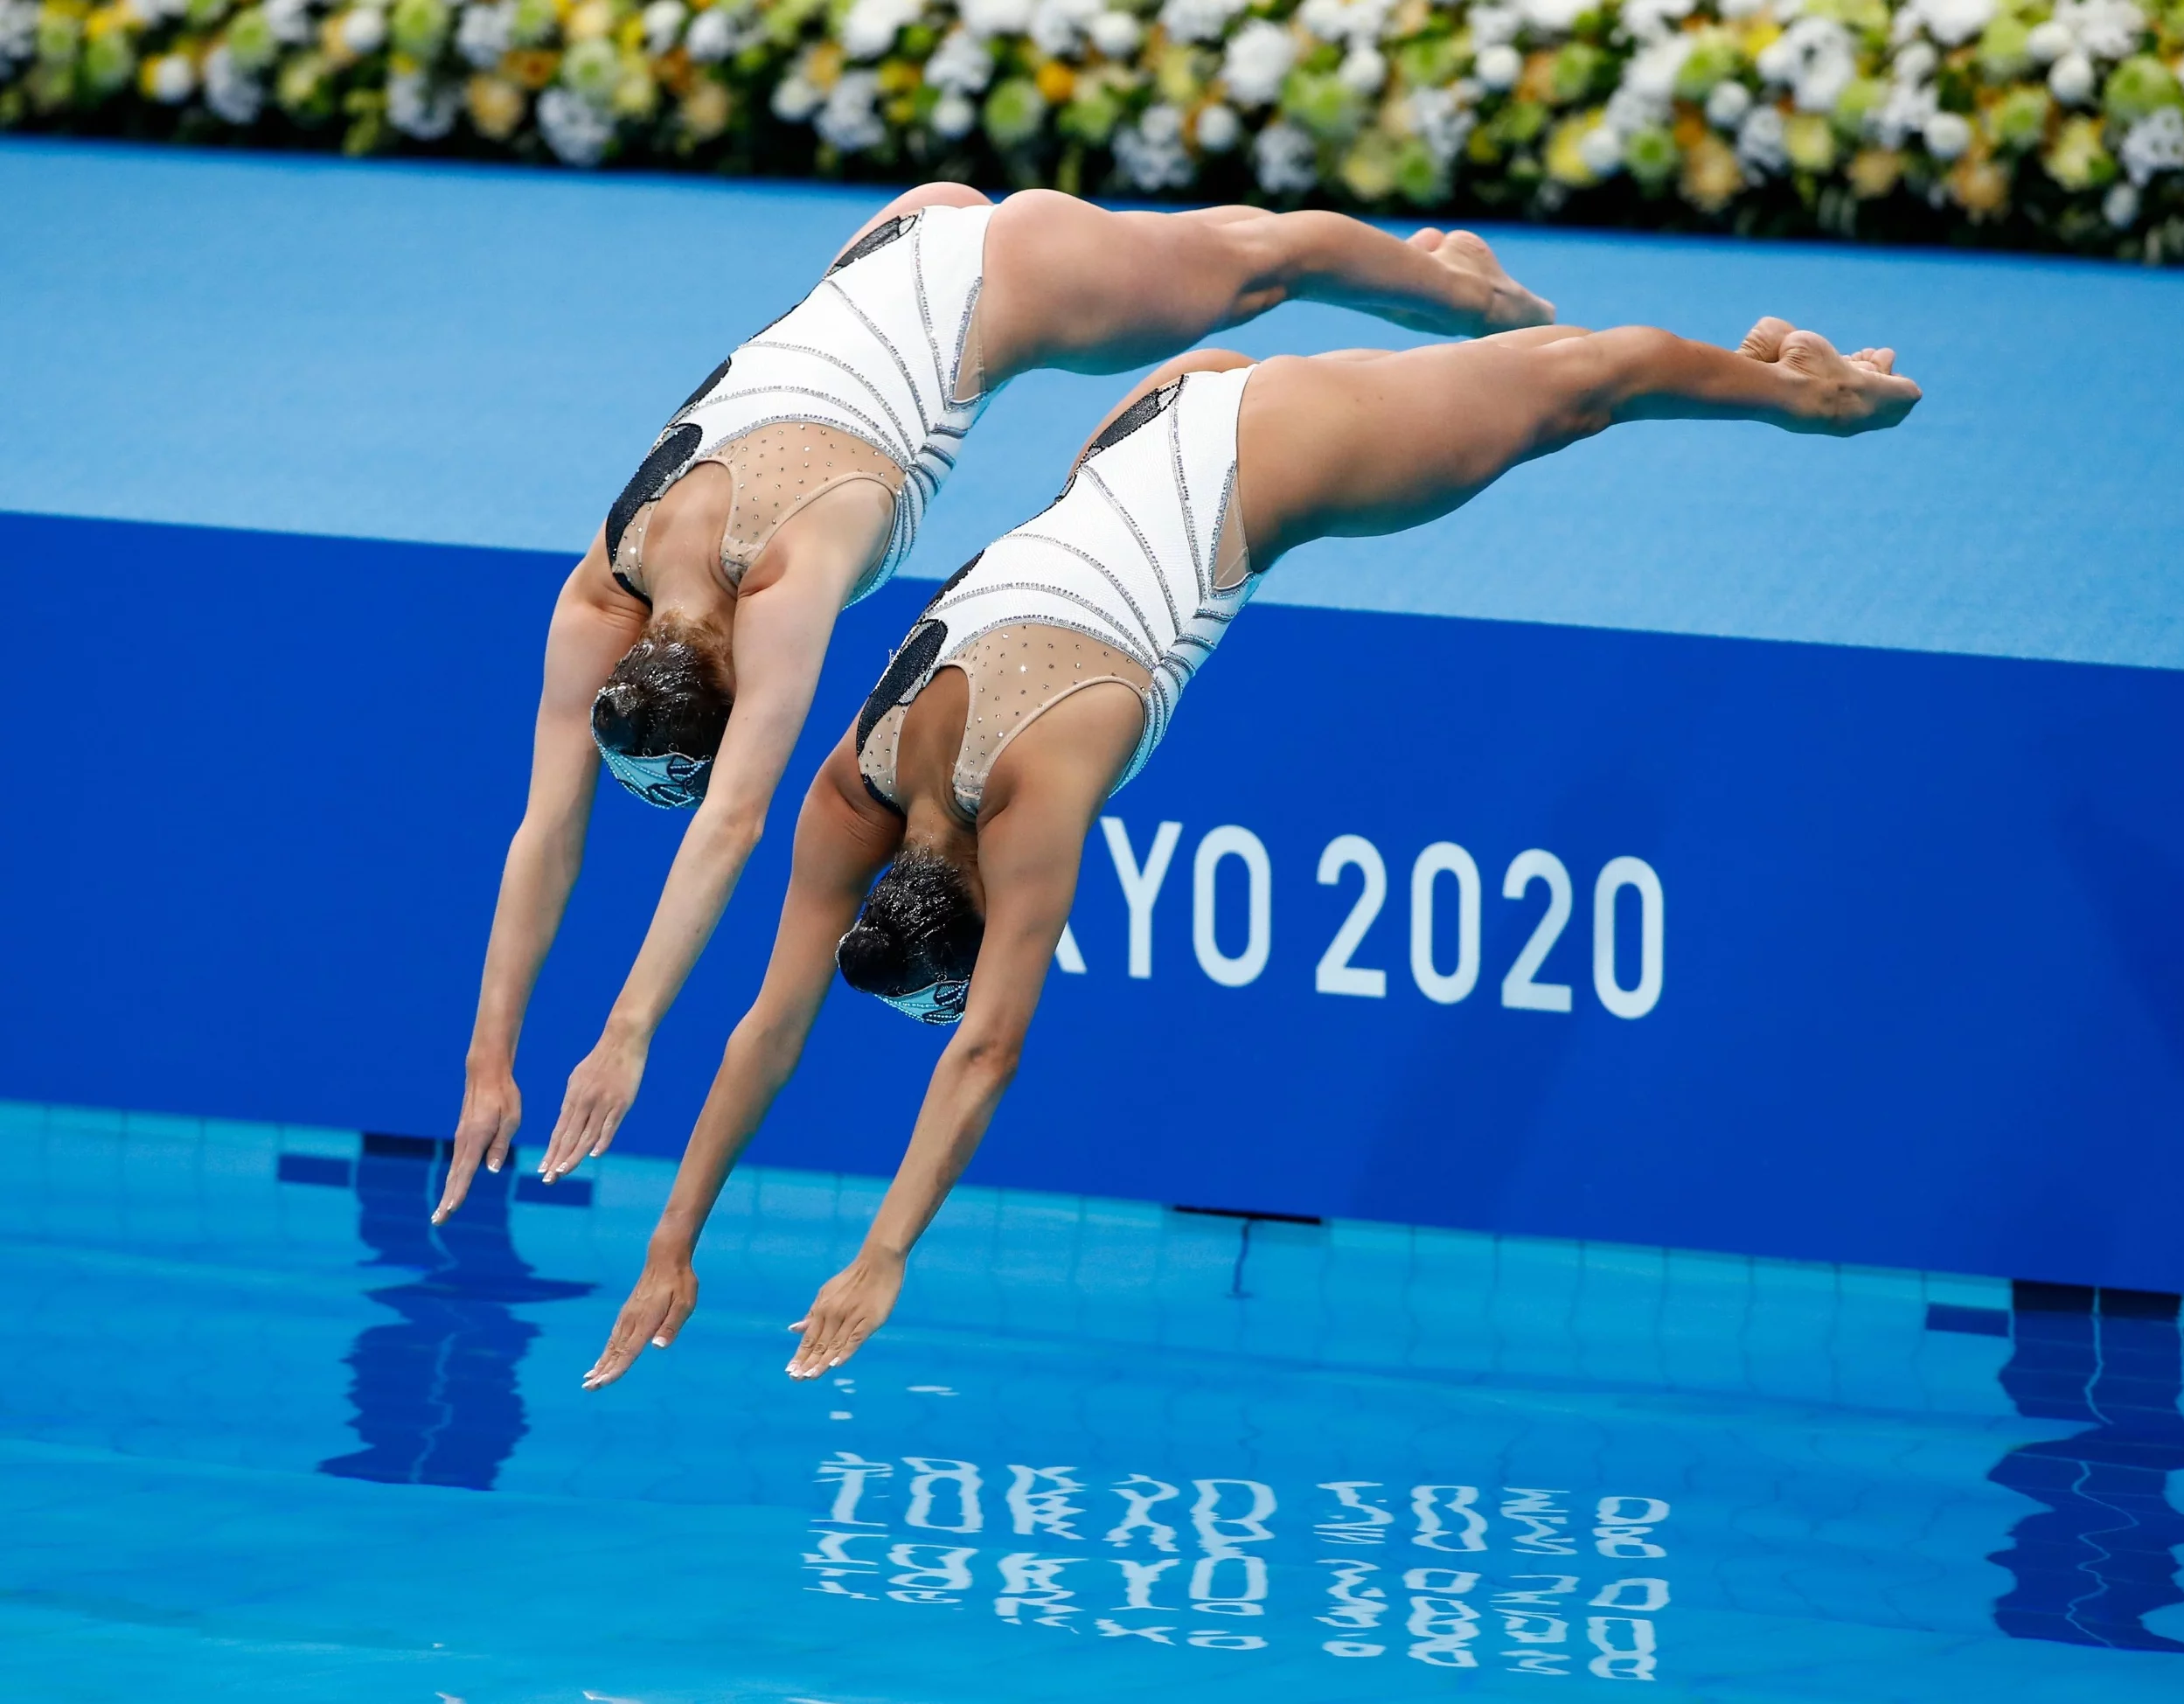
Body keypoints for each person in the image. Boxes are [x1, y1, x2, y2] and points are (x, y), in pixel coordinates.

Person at [574, 314, 1921, 1389]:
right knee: (1519, 385)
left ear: (975, 899)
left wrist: (884, 1257)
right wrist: (671, 1240)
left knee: (1574, 391)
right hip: (1133, 437)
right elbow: (767, 1021)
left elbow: (984, 1049)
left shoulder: (1037, 794)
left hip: (1246, 463)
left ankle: (1832, 396)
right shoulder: (852, 789)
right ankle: (1518, 314)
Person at [435, 184, 1555, 1225]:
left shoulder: (782, 580)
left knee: (1262, 266)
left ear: (721, 676)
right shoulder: (603, 584)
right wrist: (493, 1056)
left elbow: (732, 818)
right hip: (878, 251)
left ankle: (1468, 293)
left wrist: (626, 1032)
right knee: (1244, 267)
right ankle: (1435, 287)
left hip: (992, 273)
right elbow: (551, 827)